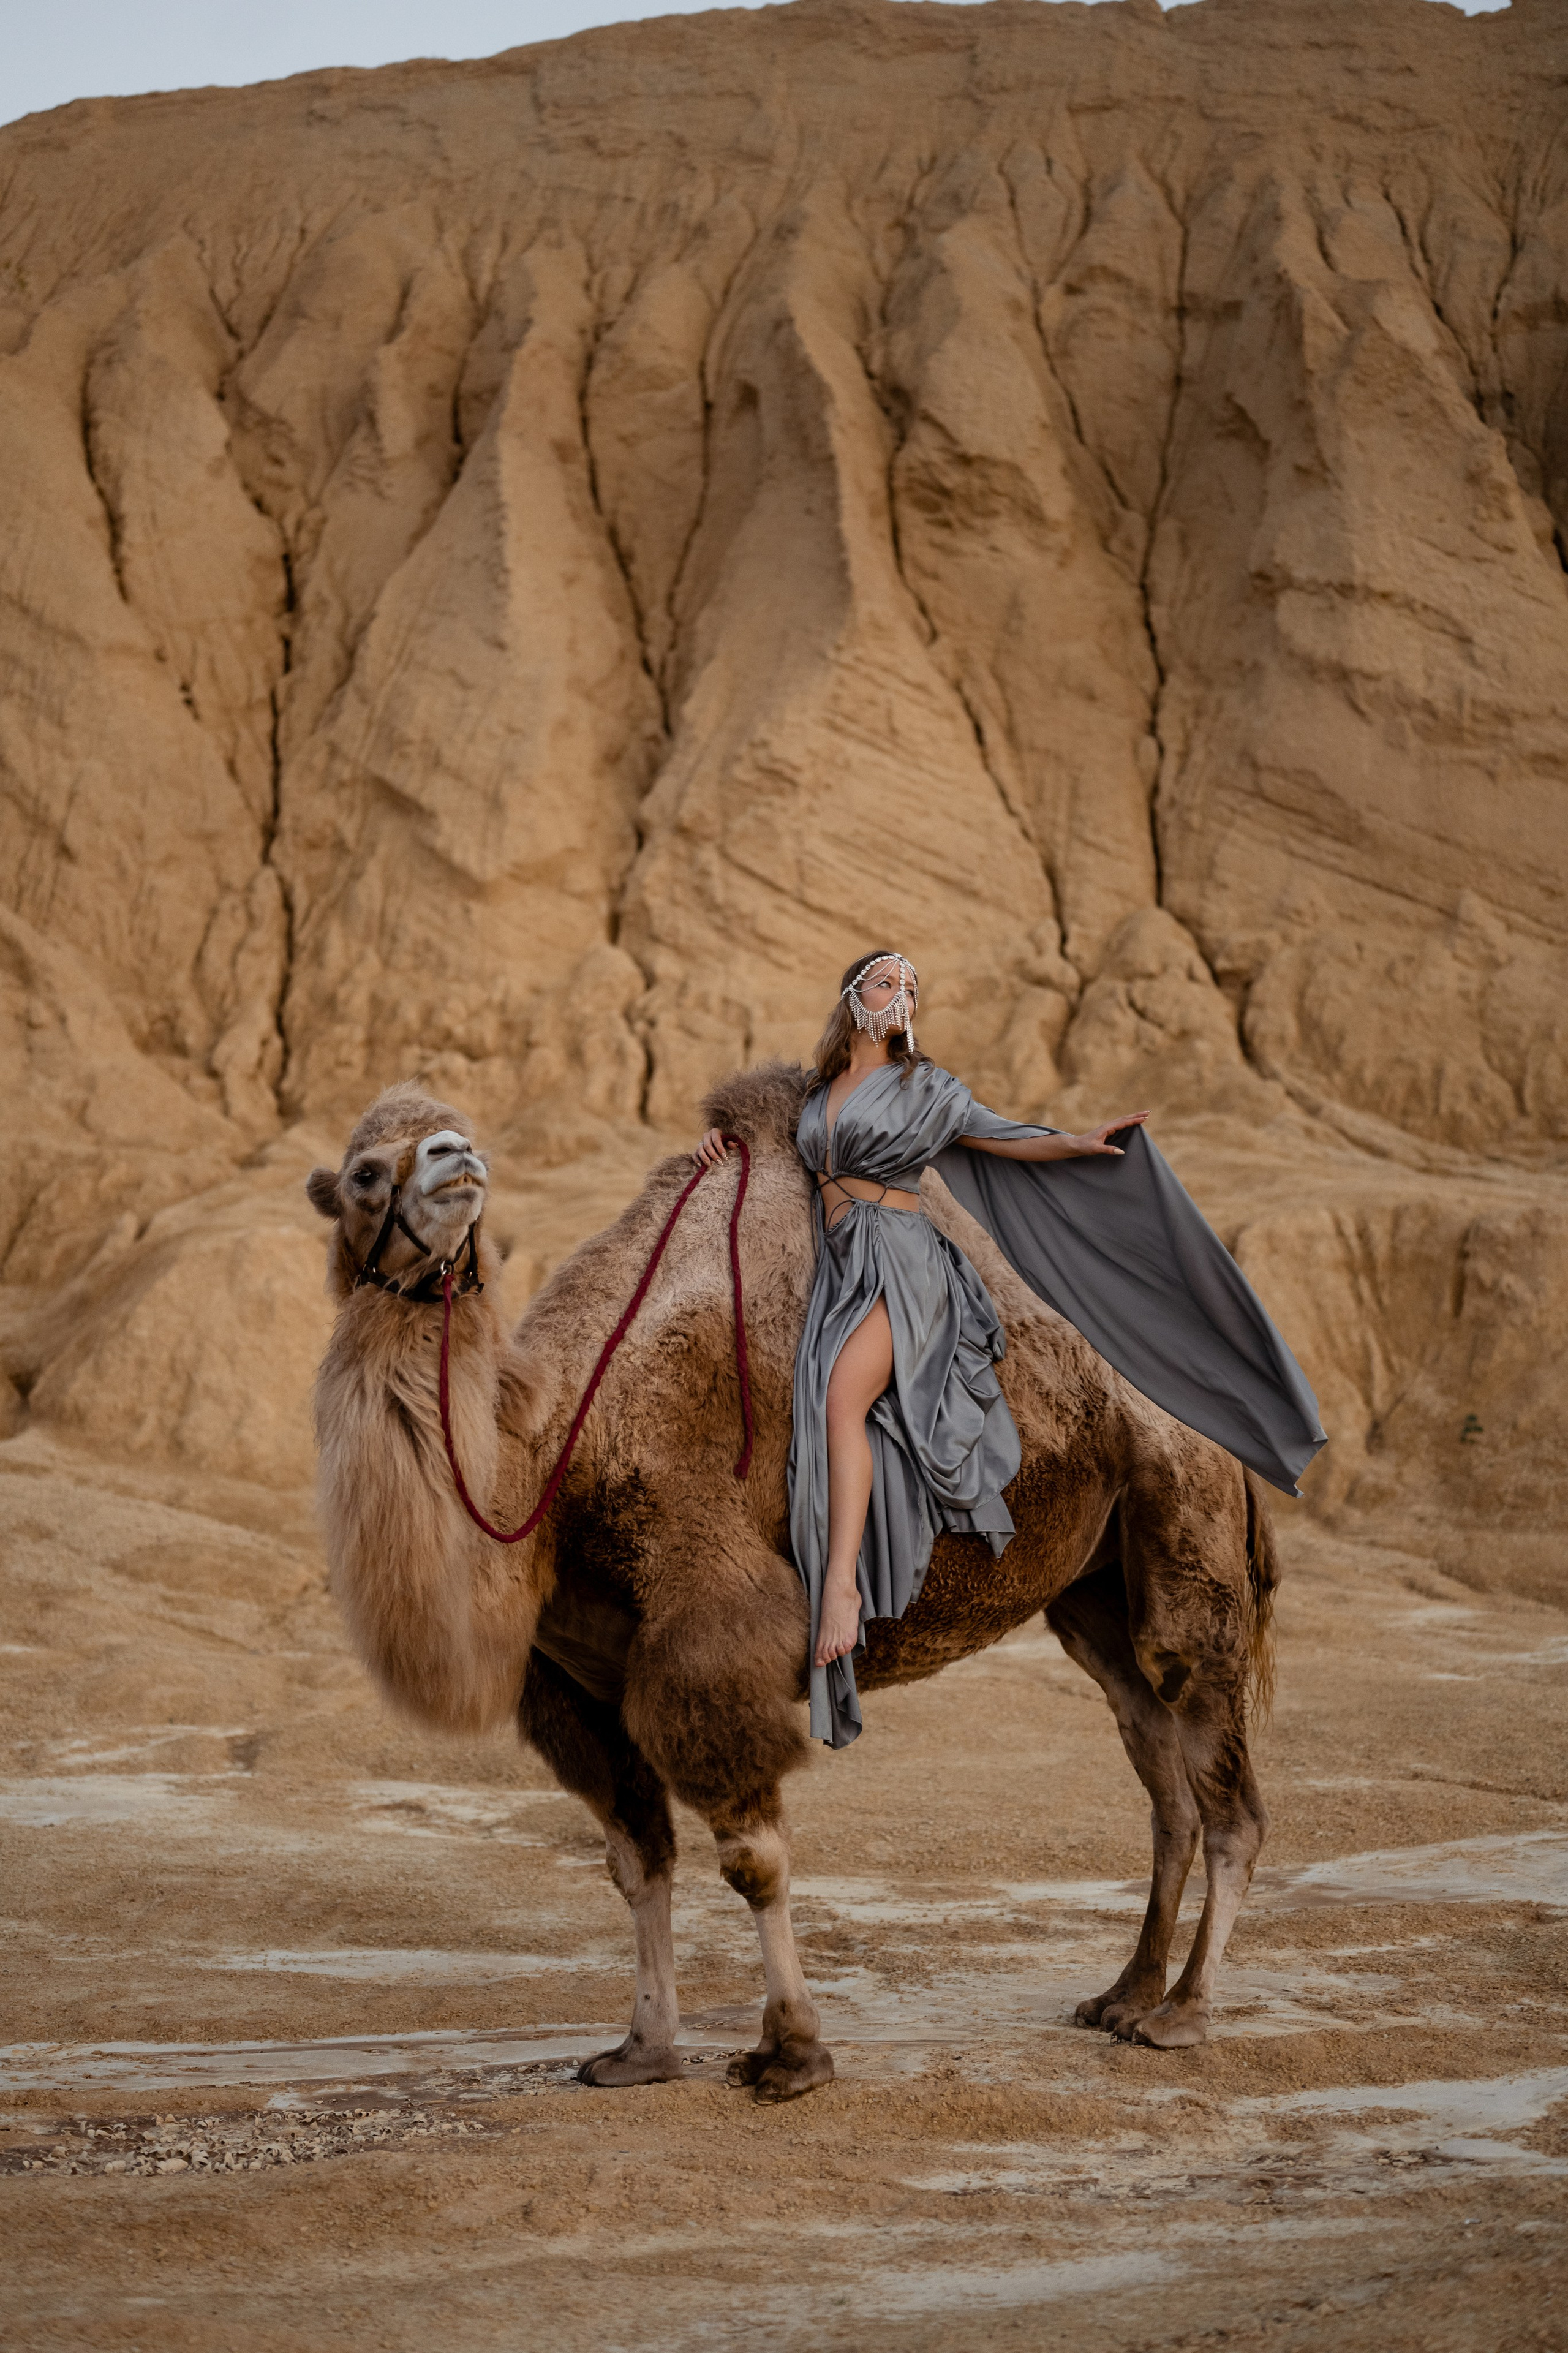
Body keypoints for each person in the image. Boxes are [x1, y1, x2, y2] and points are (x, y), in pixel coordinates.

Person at [695, 950, 1324, 1748]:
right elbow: (777, 1149)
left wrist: (1081, 1144)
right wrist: (720, 1145)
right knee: (804, 1418)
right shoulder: (818, 1096)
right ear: (855, 997)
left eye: (913, 987)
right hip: (840, 1273)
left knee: (839, 1402)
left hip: (904, 1265)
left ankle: (845, 1593)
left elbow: (1006, 1139)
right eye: (889, 983)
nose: (904, 996)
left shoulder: (926, 1088)